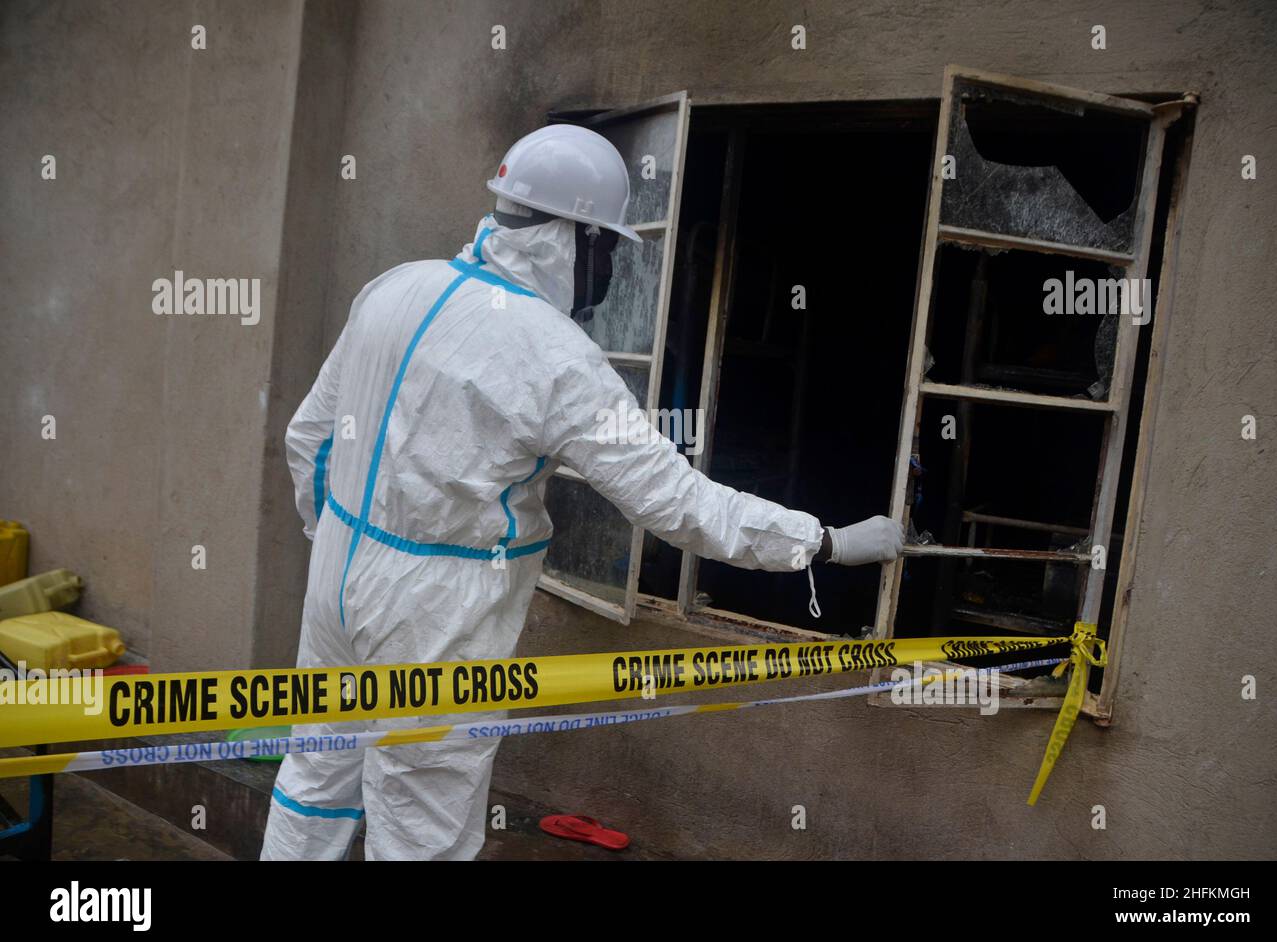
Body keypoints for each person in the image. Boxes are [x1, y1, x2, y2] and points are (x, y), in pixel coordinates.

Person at [260, 125, 904, 861]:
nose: (607, 270)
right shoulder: (555, 358)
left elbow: (307, 439)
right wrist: (825, 541)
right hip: (436, 622)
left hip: (335, 582)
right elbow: (676, 503)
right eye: (605, 248)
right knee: (420, 829)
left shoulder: (395, 286)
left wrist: (339, 541)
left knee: (312, 778)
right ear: (573, 238)